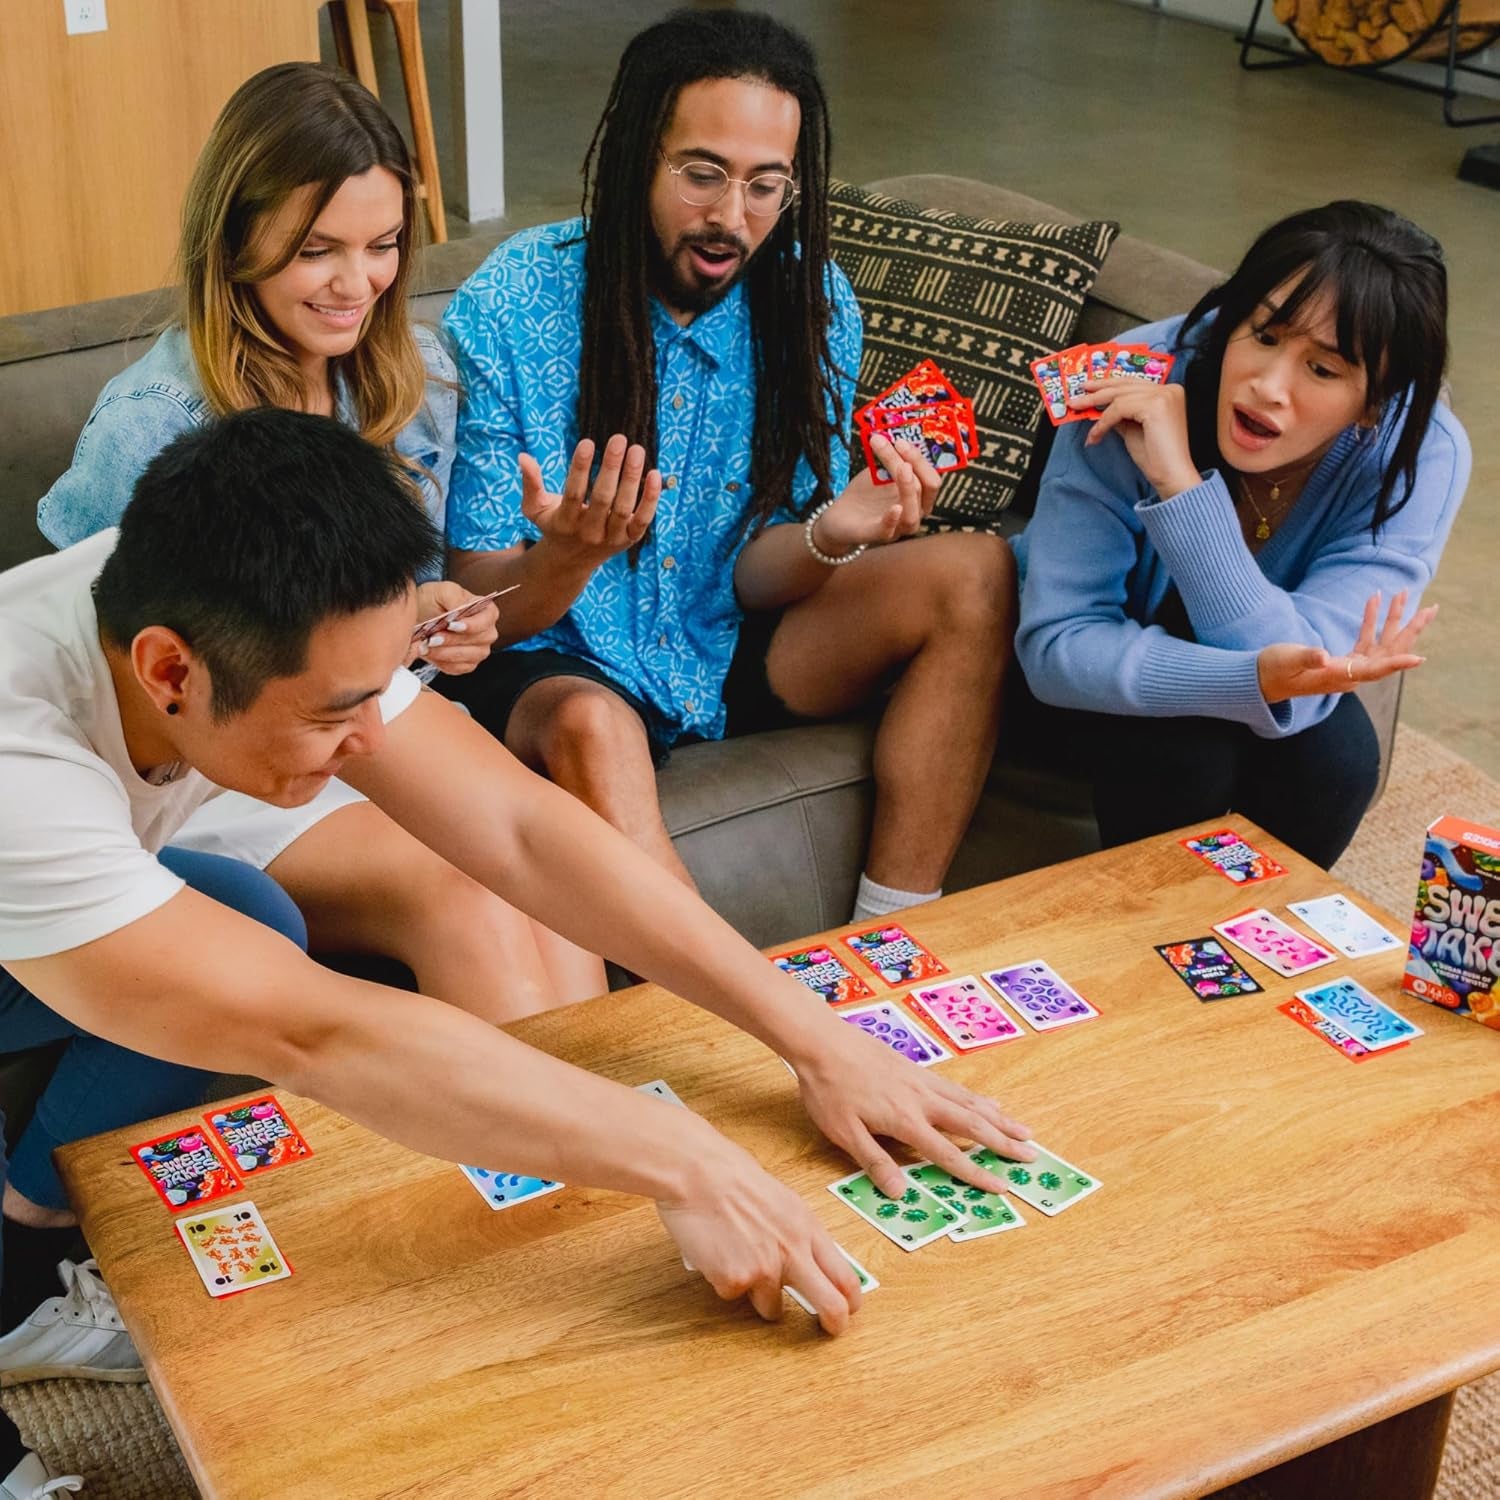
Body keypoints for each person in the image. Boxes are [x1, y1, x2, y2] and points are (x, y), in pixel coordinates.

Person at [0, 412, 1036, 1483]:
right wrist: (688, 1161)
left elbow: (522, 832)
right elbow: (318, 1031)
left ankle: (27, 1209)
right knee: (233, 953)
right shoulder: (19, 755)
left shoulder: (236, 603)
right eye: (334, 716)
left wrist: (815, 1037)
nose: (373, 742)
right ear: (170, 672)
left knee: (237, 907)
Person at [35, 62, 596, 1017]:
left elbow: (403, 605)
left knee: (554, 885)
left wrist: (434, 616)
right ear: (237, 238)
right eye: (317, 250)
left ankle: (634, 1132)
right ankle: (565, 1159)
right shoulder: (150, 422)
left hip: (376, 728)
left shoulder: (412, 373)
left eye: (382, 246)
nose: (358, 284)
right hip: (224, 771)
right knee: (461, 895)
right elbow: (109, 684)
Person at [439, 9, 1015, 926]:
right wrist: (569, 557)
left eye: (764, 185)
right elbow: (472, 602)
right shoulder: (513, 300)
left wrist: (834, 531)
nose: (729, 218)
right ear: (637, 156)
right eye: (701, 174)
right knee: (595, 726)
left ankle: (893, 938)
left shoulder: (812, 300)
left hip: (722, 636)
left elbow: (754, 570)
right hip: (554, 654)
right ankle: (723, 1016)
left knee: (976, 572)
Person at [1012, 200, 1469, 868]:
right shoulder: (1129, 377)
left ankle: (1243, 953)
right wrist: (1246, 678)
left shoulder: (1420, 453)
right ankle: (1143, 948)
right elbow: (1058, 647)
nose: (1268, 387)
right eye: (1264, 334)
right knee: (1185, 750)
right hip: (1082, 684)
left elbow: (1306, 674)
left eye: (1323, 369)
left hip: (1264, 682)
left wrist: (1185, 491)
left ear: (1373, 402)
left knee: (1337, 758)